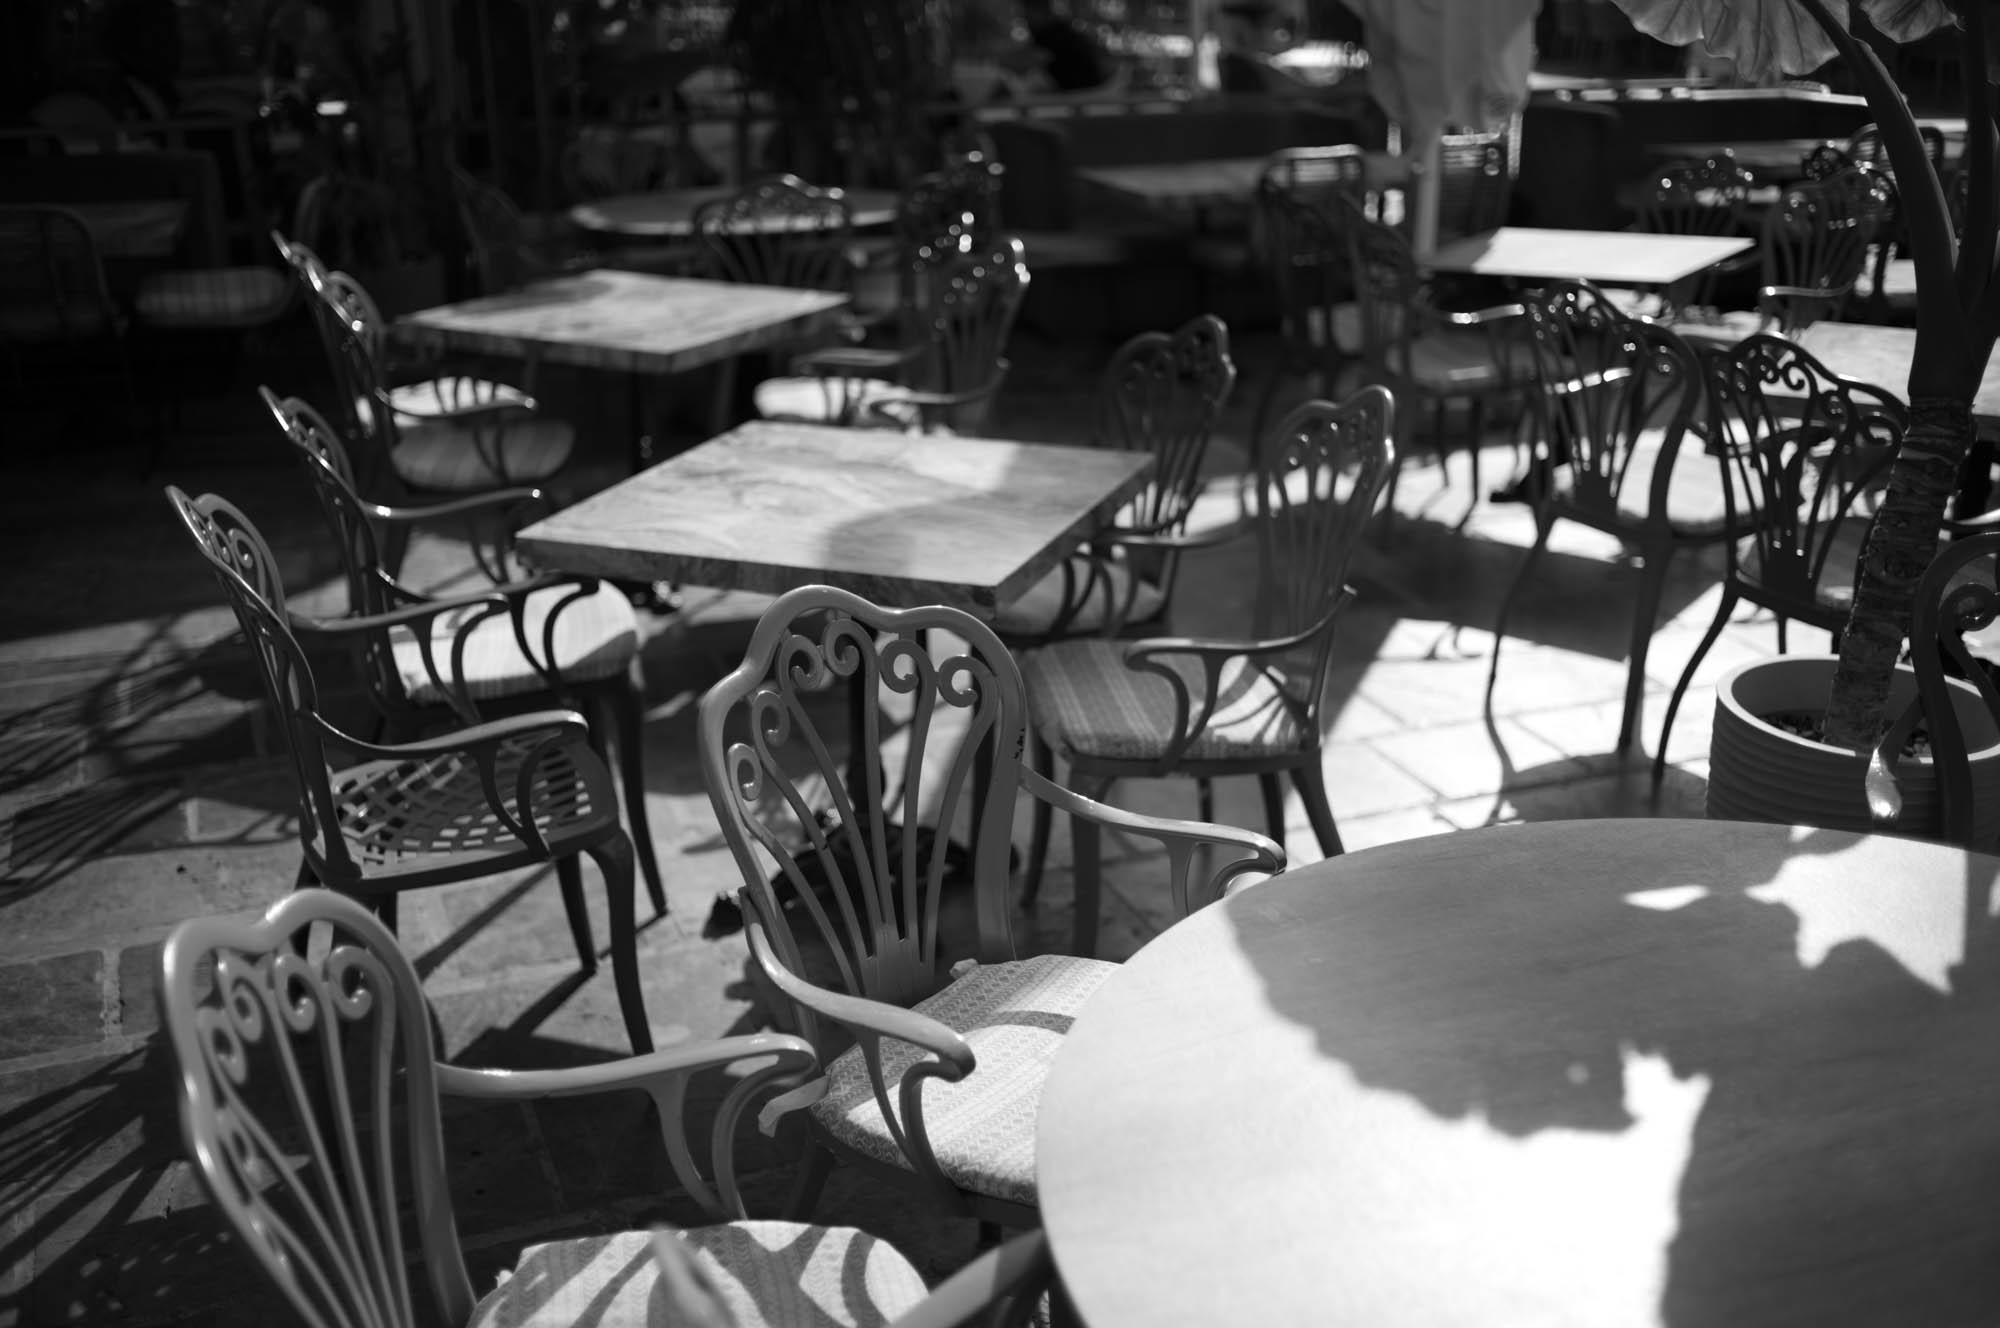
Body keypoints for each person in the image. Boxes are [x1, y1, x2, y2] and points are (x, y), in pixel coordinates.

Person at [1019, 0, 1112, 93]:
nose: (1026, 17)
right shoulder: (1054, 28)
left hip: (1081, 90)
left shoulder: (1053, 31)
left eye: (1028, 12)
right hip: (1079, 89)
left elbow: (1035, 59)